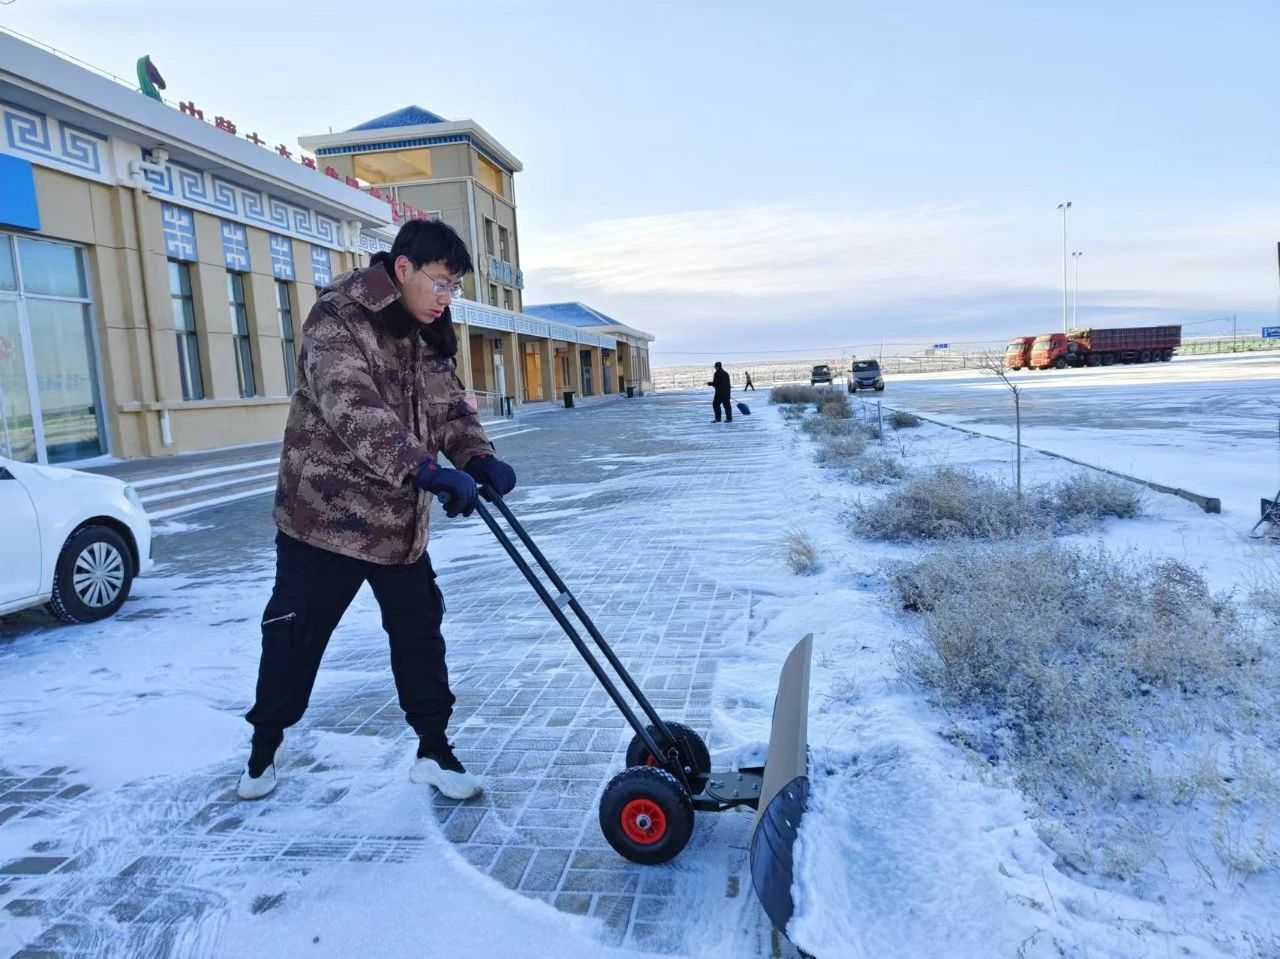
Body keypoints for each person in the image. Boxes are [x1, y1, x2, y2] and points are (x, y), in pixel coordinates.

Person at [237, 219, 517, 803]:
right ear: (403, 267)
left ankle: (434, 750)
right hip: (324, 522)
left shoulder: (429, 329)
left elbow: (450, 406)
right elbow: (352, 408)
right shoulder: (338, 317)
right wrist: (425, 469)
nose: (446, 297)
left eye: (455, 288)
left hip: (397, 525)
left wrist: (477, 456)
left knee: (420, 635)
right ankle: (264, 748)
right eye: (440, 282)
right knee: (295, 638)